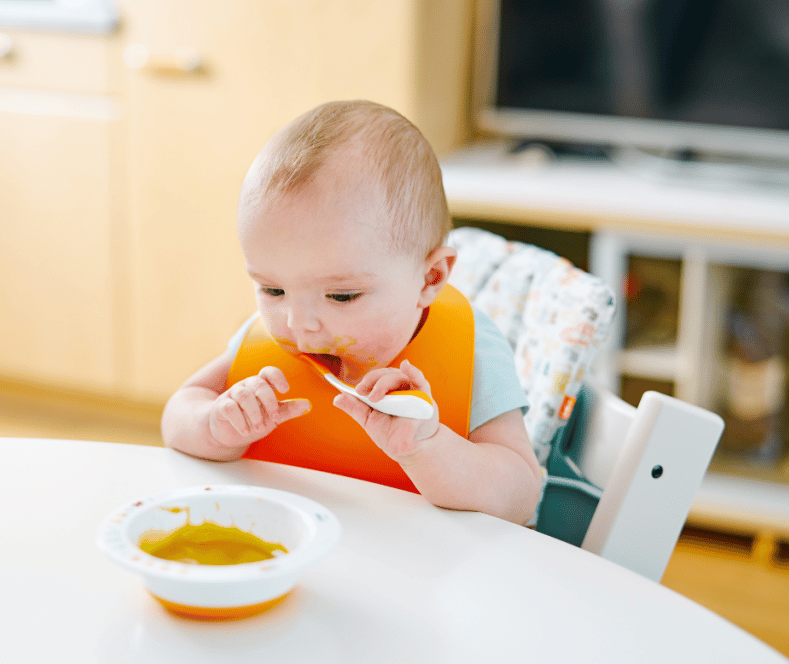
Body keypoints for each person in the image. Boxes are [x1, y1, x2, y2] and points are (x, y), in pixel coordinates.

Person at [161, 100, 542, 524]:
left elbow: (521, 496)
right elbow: (178, 415)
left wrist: (427, 446)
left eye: (341, 296)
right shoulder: (267, 343)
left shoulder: (470, 350)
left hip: (417, 555)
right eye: (272, 289)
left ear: (429, 278)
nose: (297, 323)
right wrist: (216, 426)